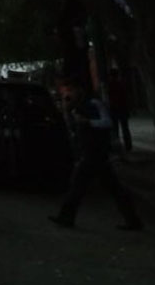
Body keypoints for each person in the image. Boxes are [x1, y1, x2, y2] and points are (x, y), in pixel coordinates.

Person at [50, 83, 142, 231]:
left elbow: (107, 122)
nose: (68, 94)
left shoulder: (94, 104)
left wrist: (88, 122)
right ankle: (133, 220)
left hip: (95, 152)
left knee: (78, 185)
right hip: (91, 152)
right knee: (110, 187)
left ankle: (66, 216)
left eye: (70, 91)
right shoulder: (77, 107)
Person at [107, 68, 133, 152]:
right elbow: (126, 97)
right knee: (125, 128)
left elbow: (108, 98)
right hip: (122, 108)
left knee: (115, 129)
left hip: (114, 109)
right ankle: (128, 146)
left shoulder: (109, 85)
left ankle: (118, 147)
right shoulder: (122, 84)